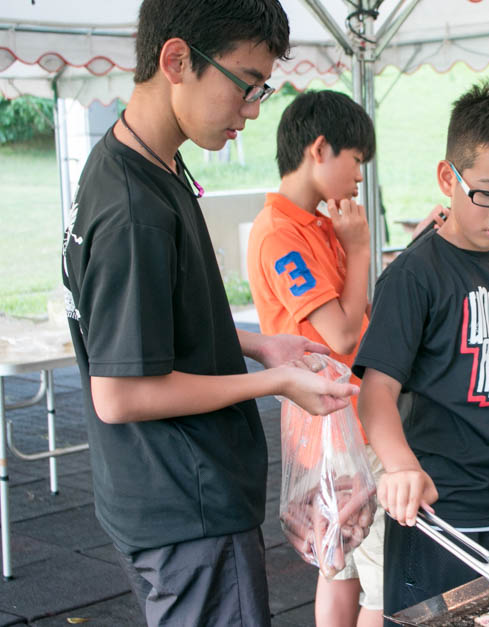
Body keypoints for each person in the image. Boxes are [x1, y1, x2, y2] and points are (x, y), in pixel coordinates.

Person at [60, 2, 359, 625]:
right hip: (185, 505)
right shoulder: (133, 209)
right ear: (176, 60)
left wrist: (258, 345)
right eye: (246, 86)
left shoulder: (142, 160)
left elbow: (154, 327)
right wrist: (278, 382)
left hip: (157, 493)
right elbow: (119, 392)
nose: (252, 112)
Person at [353, 82, 489, 618]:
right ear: (449, 177)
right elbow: (375, 393)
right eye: (488, 194)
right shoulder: (414, 275)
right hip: (440, 512)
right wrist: (400, 466)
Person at [245, 90, 383, 627]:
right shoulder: (281, 234)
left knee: (339, 562)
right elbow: (344, 333)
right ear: (320, 149)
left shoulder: (317, 223)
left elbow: (357, 308)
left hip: (336, 421)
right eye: (356, 162)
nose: (357, 179)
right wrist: (362, 248)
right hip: (338, 425)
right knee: (377, 573)